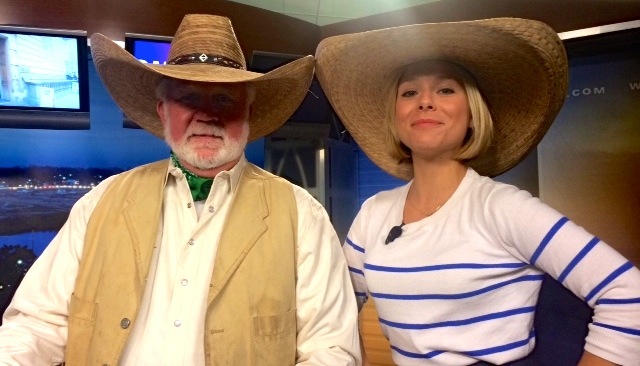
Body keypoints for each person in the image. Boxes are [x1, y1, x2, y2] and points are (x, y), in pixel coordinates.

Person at [0, 14, 361, 365]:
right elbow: (37, 325)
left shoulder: (303, 216)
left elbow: (332, 351)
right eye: (189, 98)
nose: (206, 115)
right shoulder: (100, 202)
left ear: (248, 114)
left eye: (224, 99)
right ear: (162, 110)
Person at [314, 17, 640, 366]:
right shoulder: (374, 213)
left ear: (471, 114)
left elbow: (628, 295)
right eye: (409, 92)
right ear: (396, 117)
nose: (425, 101)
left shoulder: (502, 208)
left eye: (445, 90)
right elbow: (339, 310)